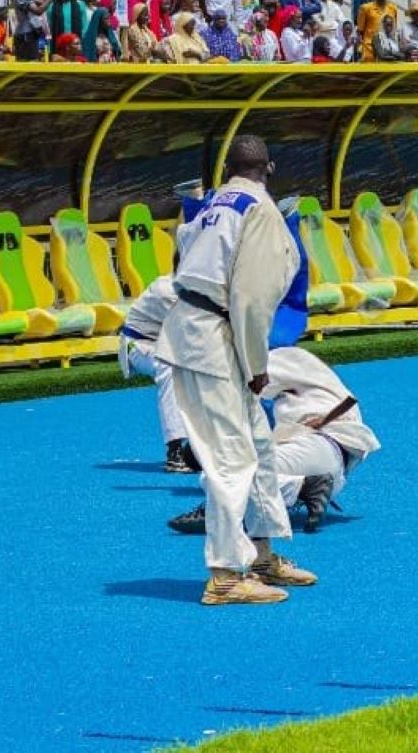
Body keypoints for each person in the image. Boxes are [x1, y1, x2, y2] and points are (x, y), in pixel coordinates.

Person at [154, 135, 312, 606]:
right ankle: (224, 574)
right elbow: (252, 297)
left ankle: (261, 555)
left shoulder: (210, 203)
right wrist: (256, 363)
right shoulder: (260, 210)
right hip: (215, 338)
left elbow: (184, 259)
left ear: (229, 168)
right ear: (270, 168)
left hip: (199, 327)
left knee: (259, 446)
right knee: (231, 456)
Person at [170, 346, 381, 535]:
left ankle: (220, 510)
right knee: (251, 478)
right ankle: (300, 488)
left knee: (216, 475)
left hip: (318, 449)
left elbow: (239, 387)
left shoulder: (281, 358)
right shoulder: (309, 383)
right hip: (329, 470)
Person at [120, 274, 197, 473]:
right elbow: (194, 331)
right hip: (140, 345)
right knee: (170, 367)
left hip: (169, 344)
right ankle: (175, 449)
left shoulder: (201, 286)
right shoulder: (167, 291)